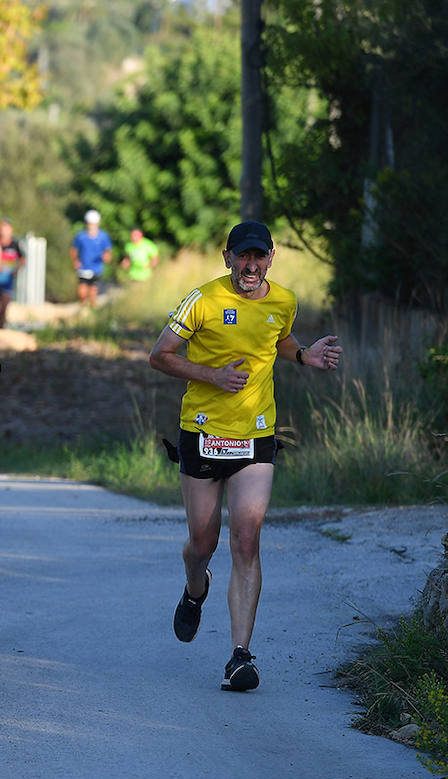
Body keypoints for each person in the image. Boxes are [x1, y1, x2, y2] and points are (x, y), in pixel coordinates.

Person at [148, 220, 342, 692]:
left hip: (256, 435)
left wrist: (304, 357)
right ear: (228, 258)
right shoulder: (203, 299)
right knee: (203, 543)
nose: (251, 265)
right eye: (243, 257)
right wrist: (211, 376)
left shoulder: (285, 300)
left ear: (270, 259)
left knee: (247, 540)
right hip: (203, 432)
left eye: (259, 257)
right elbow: (160, 355)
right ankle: (196, 589)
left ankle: (239, 656)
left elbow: (278, 340)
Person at [69, 209, 112, 306]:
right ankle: (83, 308)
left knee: (93, 292)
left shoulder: (103, 236)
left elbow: (108, 251)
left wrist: (107, 257)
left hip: (97, 268)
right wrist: (75, 260)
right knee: (82, 292)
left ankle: (92, 312)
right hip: (83, 268)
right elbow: (73, 249)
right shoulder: (81, 236)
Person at [0, 219, 25, 329]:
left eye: (6, 229)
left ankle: (1, 324)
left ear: (11, 230)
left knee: (5, 303)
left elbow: (23, 258)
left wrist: (16, 270)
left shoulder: (15, 244)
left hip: (7, 279)